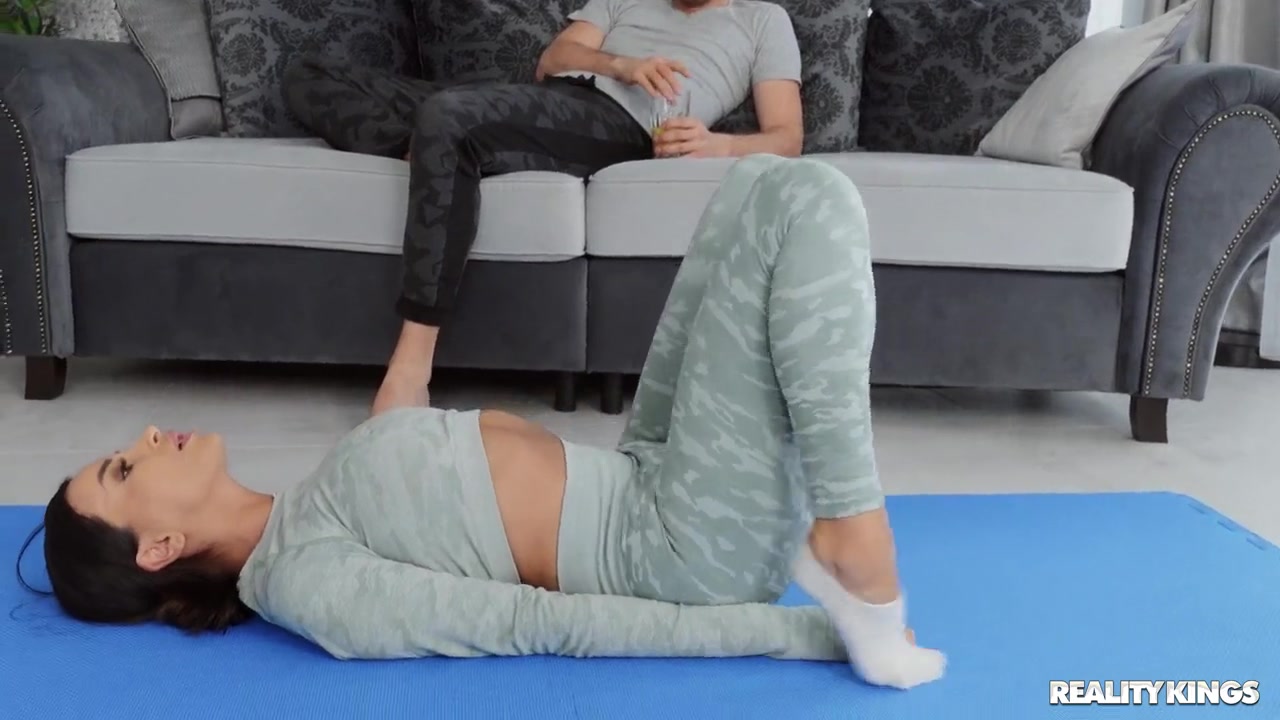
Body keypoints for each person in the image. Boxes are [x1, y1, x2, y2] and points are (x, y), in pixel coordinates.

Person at [30, 157, 945, 690]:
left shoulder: (304, 509)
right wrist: (803, 633)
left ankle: (836, 526)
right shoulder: (306, 586)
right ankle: (851, 527)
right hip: (679, 549)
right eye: (123, 470)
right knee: (812, 196)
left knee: (754, 181)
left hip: (644, 475)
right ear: (160, 548)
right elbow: (535, 623)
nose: (145, 436)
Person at [280, 0, 806, 415]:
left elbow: (787, 136)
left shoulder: (762, 20)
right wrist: (621, 64)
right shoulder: (625, 1)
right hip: (542, 101)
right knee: (309, 75)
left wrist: (717, 145)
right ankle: (433, 147)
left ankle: (412, 366)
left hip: (617, 125)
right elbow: (553, 61)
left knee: (449, 116)